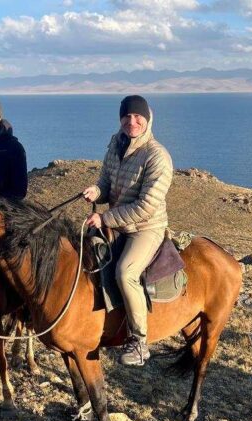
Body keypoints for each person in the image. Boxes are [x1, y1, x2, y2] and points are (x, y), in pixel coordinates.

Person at [83, 95, 173, 366]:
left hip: (145, 228)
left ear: (148, 117)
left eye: (137, 117)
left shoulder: (158, 156)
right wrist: (95, 192)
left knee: (126, 272)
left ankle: (138, 341)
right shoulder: (116, 143)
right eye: (126, 117)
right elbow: (105, 183)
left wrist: (106, 218)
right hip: (116, 222)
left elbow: (146, 206)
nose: (131, 122)